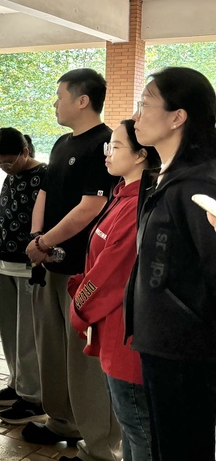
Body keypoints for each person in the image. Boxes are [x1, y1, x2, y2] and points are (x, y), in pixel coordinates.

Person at [24, 68, 121, 461]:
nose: (55, 103)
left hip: (84, 272)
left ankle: (99, 445)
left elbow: (90, 207)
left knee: (84, 360)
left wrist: (44, 241)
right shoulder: (63, 143)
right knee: (52, 350)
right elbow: (45, 192)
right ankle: (61, 420)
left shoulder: (104, 144)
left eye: (60, 96)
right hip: (50, 264)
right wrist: (37, 239)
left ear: (82, 100)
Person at [124, 67, 216, 460]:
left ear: (178, 117)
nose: (136, 115)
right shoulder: (162, 177)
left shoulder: (199, 186)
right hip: (162, 342)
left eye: (145, 104)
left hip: (187, 350)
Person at [69, 120, 159, 461]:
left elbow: (110, 274)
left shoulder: (138, 204)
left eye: (116, 146)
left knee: (138, 430)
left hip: (126, 336)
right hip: (114, 329)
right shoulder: (123, 194)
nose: (107, 153)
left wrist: (79, 306)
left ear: (140, 155)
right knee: (132, 429)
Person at [0, 128, 47, 426]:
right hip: (6, 262)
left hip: (29, 266)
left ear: (25, 152)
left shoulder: (44, 175)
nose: (3, 167)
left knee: (28, 335)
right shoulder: (10, 174)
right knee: (9, 330)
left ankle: (33, 398)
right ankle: (17, 382)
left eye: (8, 162)